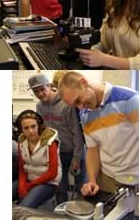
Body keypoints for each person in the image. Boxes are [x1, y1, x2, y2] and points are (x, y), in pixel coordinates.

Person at [58, 71, 139, 196]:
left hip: (135, 178)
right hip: (107, 178)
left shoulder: (130, 100)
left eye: (78, 100)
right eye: (75, 105)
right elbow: (92, 150)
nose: (80, 107)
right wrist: (92, 180)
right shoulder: (84, 114)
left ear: (84, 83)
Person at [28, 74, 85, 204]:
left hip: (75, 150)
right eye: (36, 91)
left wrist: (76, 157)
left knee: (81, 186)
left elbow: (77, 132)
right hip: (57, 153)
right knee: (60, 187)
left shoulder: (66, 103)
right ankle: (59, 214)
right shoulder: (39, 107)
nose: (40, 94)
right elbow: (44, 131)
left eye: (42, 89)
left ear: (50, 86)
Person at [12, 109, 61, 208]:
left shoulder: (50, 142)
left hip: (48, 182)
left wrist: (29, 186)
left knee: (23, 207)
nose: (30, 131)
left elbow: (52, 173)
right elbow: (22, 167)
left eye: (33, 126)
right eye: (26, 128)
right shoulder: (21, 142)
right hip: (29, 179)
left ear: (39, 125)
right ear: (21, 129)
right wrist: (21, 186)